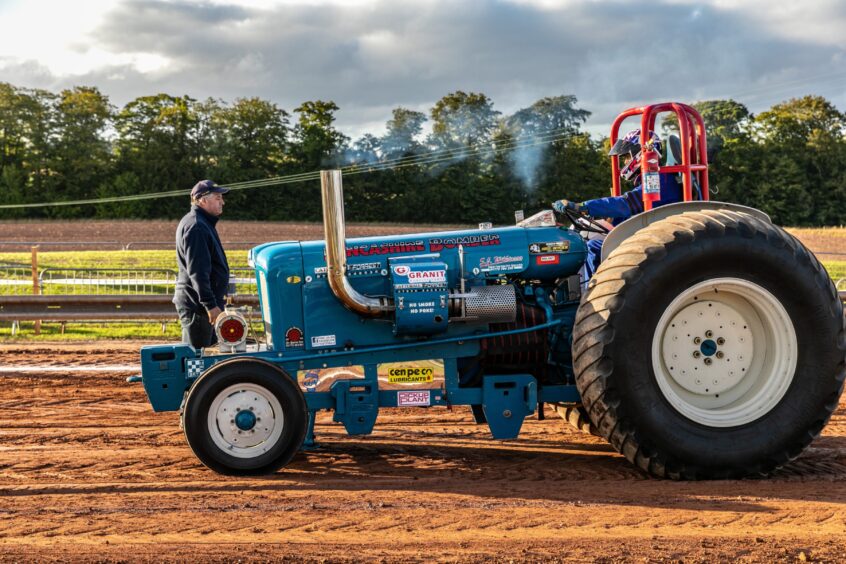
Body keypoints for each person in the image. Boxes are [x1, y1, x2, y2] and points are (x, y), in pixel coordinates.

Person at [553, 129, 683, 279]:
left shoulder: (660, 179)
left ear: (641, 153)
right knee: (587, 236)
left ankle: (589, 297)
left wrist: (582, 206)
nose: (625, 162)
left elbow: (625, 204)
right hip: (648, 231)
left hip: (656, 237)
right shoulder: (658, 178)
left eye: (627, 157)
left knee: (592, 248)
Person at [173, 179, 231, 349]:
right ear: (203, 200)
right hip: (199, 307)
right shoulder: (197, 226)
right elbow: (198, 271)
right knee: (199, 359)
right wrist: (210, 305)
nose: (223, 202)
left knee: (207, 357)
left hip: (201, 306)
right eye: (218, 198)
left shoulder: (202, 222)